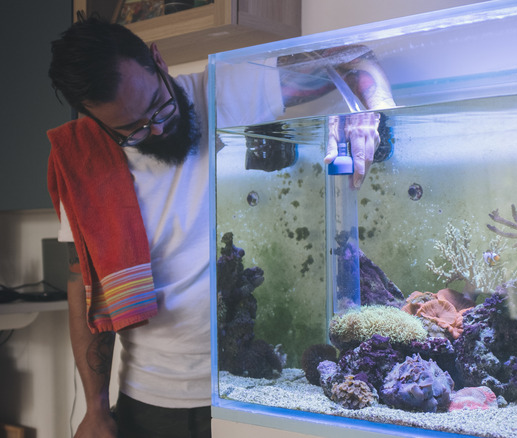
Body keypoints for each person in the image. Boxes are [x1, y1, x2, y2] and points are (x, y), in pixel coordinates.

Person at [47, 16, 395, 438]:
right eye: (131, 129)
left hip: (245, 392)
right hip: (150, 401)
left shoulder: (223, 90)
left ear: (158, 61)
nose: (155, 128)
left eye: (159, 105)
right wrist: (96, 409)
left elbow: (354, 56)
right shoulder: (83, 164)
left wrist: (368, 112)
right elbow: (82, 287)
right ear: (96, 123)